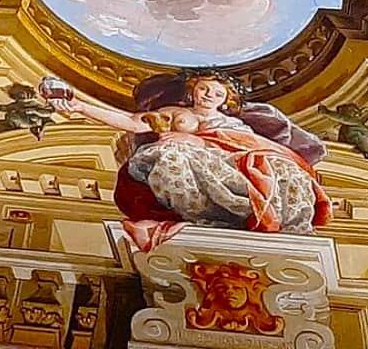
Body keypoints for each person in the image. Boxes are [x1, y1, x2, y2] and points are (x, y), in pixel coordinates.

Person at [48, 71, 331, 250]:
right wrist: (79, 106)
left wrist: (200, 141)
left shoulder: (234, 124)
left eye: (218, 93)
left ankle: (259, 213)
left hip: (233, 165)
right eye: (205, 89)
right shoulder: (175, 113)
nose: (210, 95)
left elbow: (252, 146)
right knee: (170, 154)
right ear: (193, 90)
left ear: (226, 99)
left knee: (284, 168)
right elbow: (131, 122)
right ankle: (205, 216)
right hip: (189, 162)